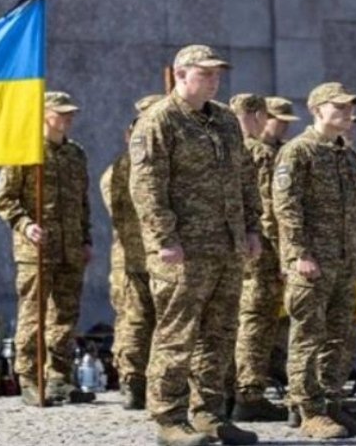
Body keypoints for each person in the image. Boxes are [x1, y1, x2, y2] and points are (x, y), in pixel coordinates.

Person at [129, 44, 262, 446]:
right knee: (177, 334)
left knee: (219, 336)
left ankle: (209, 414)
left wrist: (251, 228)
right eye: (205, 73)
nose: (214, 80)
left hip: (226, 247)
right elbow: (147, 187)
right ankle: (169, 418)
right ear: (180, 74)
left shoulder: (224, 119)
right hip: (183, 251)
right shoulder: (159, 120)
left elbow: (244, 177)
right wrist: (164, 239)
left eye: (217, 74)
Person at [273, 82, 356, 439]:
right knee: (308, 337)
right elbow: (286, 207)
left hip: (344, 262)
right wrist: (300, 253)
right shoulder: (298, 152)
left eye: (350, 107)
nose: (347, 113)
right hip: (312, 263)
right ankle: (309, 410)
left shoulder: (348, 155)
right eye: (339, 107)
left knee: (341, 338)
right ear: (317, 110)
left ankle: (332, 403)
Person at [0, 91, 95, 406]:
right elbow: (4, 200)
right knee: (33, 314)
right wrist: (25, 224)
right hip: (37, 249)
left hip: (70, 249)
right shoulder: (24, 151)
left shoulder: (76, 154)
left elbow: (82, 202)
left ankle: (59, 379)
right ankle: (29, 378)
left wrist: (86, 239)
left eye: (70, 113)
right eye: (60, 112)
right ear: (43, 114)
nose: (67, 118)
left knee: (65, 316)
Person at [232, 96, 299, 422]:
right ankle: (249, 394)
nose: (281, 127)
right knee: (257, 320)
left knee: (247, 319)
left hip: (241, 246)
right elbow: (270, 209)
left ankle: (237, 389)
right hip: (262, 249)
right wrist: (285, 253)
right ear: (259, 116)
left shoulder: (230, 148)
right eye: (275, 119)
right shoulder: (259, 152)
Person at [100, 93, 164, 410]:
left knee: (165, 320)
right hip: (135, 257)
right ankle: (133, 381)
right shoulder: (122, 168)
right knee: (135, 320)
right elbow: (122, 214)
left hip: (163, 256)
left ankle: (155, 381)